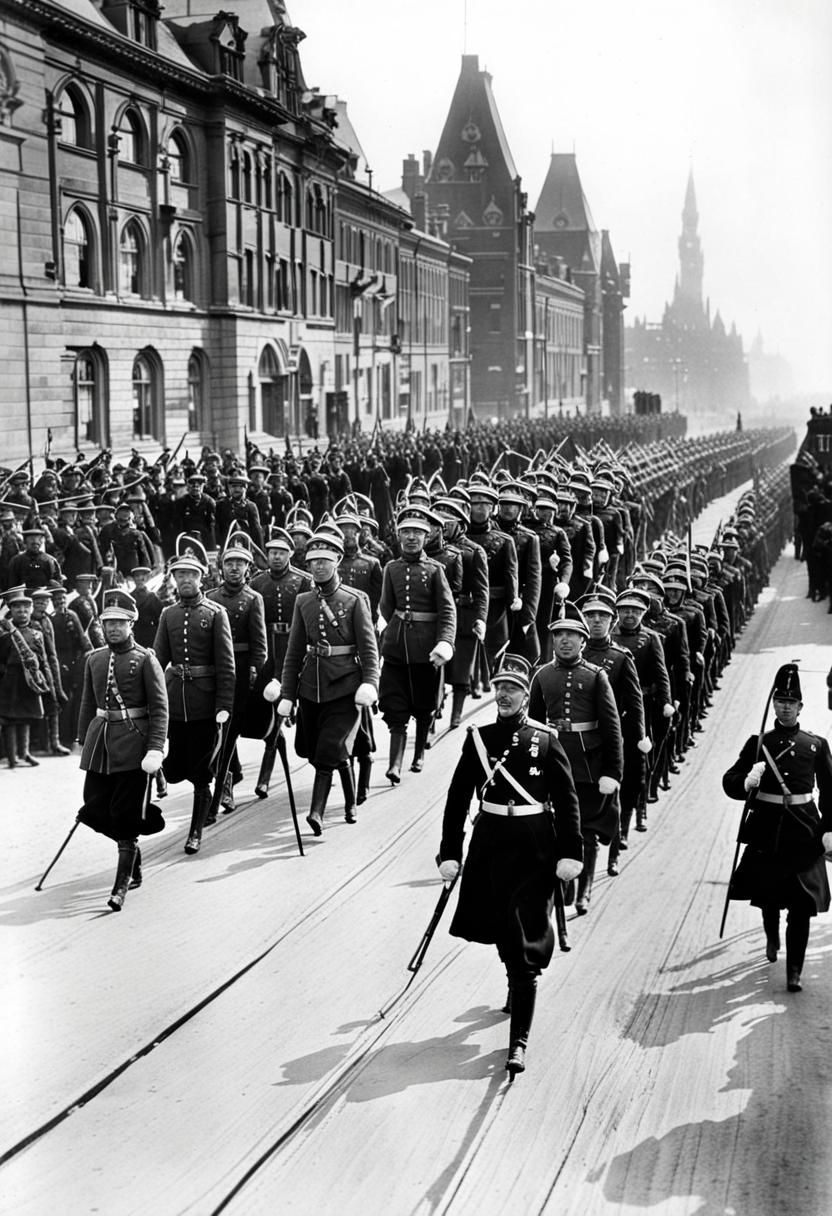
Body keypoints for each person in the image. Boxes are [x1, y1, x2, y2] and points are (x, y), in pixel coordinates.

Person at [437, 654, 583, 1078]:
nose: (503, 694)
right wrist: (450, 852)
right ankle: (514, 978)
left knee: (524, 949)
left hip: (534, 847)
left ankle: (518, 1042)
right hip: (490, 845)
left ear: (525, 695)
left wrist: (570, 852)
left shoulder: (544, 739)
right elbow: (457, 798)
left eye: (513, 688)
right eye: (499, 686)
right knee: (503, 929)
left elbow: (568, 800)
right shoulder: (478, 739)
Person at [722, 664, 832, 992]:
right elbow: (730, 781)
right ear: (774, 705)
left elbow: (831, 790)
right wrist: (746, 781)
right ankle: (771, 935)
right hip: (766, 830)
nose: (785, 706)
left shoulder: (815, 744)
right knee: (768, 896)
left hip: (804, 831)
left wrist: (829, 828)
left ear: (800, 707)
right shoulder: (758, 743)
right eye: (780, 700)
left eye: (791, 702)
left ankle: (794, 972)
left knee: (801, 905)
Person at [277, 528, 379, 834]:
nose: (319, 566)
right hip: (312, 686)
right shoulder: (303, 601)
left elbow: (368, 648)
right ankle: (349, 801)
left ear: (337, 561)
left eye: (325, 560)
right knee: (315, 749)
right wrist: (287, 693)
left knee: (328, 748)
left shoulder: (354, 599)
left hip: (346, 686)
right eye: (313, 561)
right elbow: (294, 651)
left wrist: (370, 682)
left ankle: (317, 813)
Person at [75, 589, 168, 911]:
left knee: (124, 815)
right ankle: (134, 851)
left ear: (132, 624)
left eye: (120, 623)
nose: (113, 629)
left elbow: (159, 709)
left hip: (134, 746)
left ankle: (120, 887)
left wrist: (155, 749)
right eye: (108, 623)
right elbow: (89, 702)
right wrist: (82, 740)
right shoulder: (95, 659)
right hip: (100, 746)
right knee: (92, 808)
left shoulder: (145, 659)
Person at [528, 601, 623, 915]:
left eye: (572, 635)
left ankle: (584, 890)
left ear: (584, 641)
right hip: (553, 764)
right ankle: (562, 888)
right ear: (553, 641)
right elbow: (533, 726)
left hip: (587, 768)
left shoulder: (596, 677)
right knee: (555, 830)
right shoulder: (542, 676)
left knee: (586, 832)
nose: (565, 640)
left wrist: (612, 772)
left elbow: (612, 730)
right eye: (559, 635)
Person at [152, 535, 236, 855]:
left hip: (206, 704)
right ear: (173, 579)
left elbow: (226, 665)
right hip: (176, 703)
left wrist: (224, 705)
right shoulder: (168, 615)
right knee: (174, 771)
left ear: (202, 578)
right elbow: (157, 661)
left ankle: (195, 832)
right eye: (180, 575)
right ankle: (222, 774)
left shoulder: (215, 613)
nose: (185, 580)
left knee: (200, 774)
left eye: (192, 574)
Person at [378, 505, 456, 781]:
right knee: (395, 705)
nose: (412, 537)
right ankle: (394, 764)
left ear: (427, 537)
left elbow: (447, 610)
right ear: (399, 536)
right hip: (397, 647)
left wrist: (445, 642)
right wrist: (380, 636)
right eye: (406, 532)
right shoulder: (391, 568)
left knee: (424, 705)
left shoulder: (436, 570)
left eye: (418, 533)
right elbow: (386, 608)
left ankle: (419, 753)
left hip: (427, 650)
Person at [206, 532, 267, 814]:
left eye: (240, 564)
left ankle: (226, 785)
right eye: (229, 563)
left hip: (241, 671)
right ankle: (230, 774)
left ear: (247, 568)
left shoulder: (253, 599)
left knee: (231, 727)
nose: (234, 568)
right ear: (221, 567)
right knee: (216, 727)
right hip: (215, 670)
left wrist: (254, 670)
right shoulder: (210, 598)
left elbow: (260, 644)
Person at [249, 528, 313, 798]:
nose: (276, 557)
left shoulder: (302, 580)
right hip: (268, 649)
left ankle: (323, 762)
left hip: (294, 646)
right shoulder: (257, 582)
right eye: (272, 552)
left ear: (290, 554)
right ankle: (265, 774)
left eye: (281, 553)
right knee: (270, 711)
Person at [0, 586, 53, 767]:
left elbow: (43, 658)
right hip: (10, 680)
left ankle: (25, 753)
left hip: (29, 681)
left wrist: (45, 679)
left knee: (26, 717)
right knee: (9, 719)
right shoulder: (4, 634)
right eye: (17, 609)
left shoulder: (36, 634)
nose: (22, 612)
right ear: (11, 611)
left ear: (30, 611)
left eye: (25, 609)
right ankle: (12, 756)